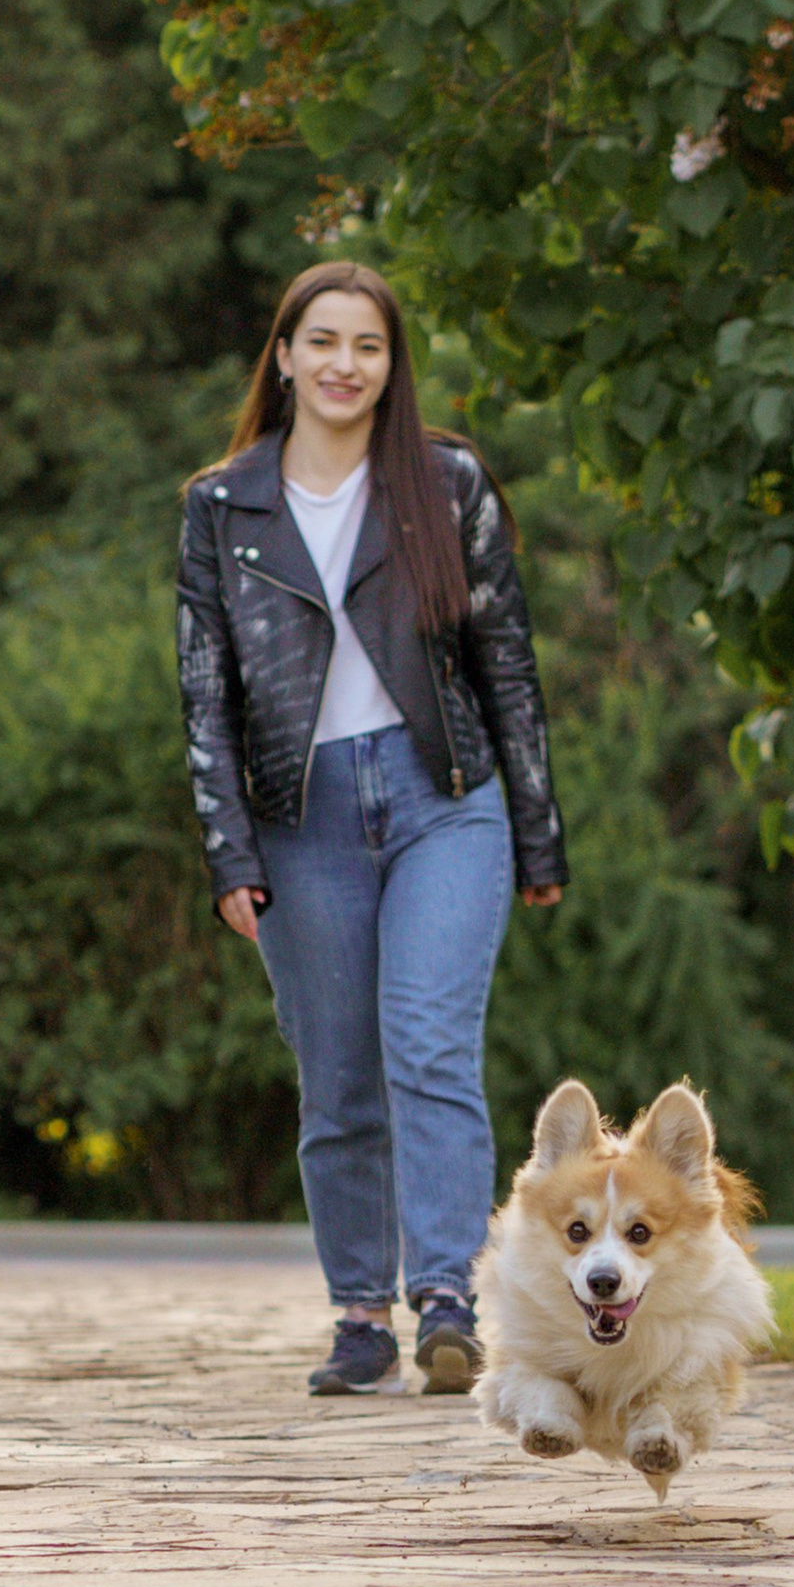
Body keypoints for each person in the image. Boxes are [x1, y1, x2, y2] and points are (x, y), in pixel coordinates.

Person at [178, 259, 568, 1399]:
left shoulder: (444, 484)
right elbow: (205, 691)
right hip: (296, 815)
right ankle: (359, 1314)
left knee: (429, 1043)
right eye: (324, 341)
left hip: (445, 796)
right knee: (338, 1072)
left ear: (391, 366)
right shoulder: (222, 505)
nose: (346, 364)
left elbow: (507, 664)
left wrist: (536, 834)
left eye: (369, 346)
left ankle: (444, 1297)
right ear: (285, 355)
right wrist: (228, 854)